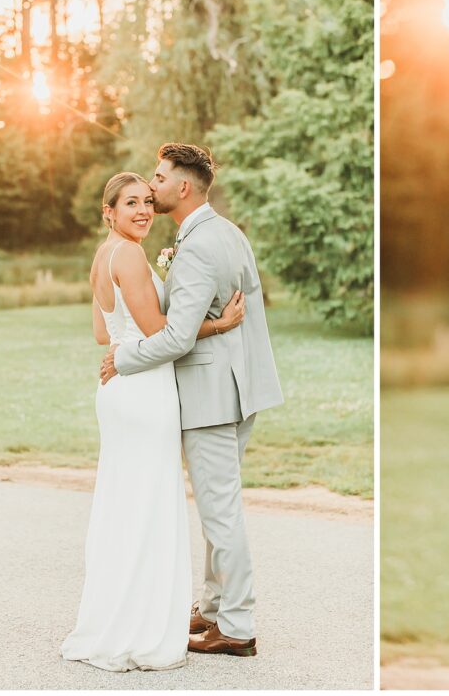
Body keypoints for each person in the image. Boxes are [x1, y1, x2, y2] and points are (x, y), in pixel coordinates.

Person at [100, 143, 283, 658]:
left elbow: (178, 336)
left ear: (182, 187)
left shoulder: (200, 244)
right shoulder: (223, 231)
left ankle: (238, 625)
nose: (151, 187)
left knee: (221, 512)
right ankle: (215, 606)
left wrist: (125, 358)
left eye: (158, 178)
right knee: (216, 506)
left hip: (211, 395)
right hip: (237, 388)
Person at [61, 172, 246, 671]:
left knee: (125, 502)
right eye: (130, 204)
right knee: (148, 503)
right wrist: (217, 325)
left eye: (148, 200)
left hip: (120, 391)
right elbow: (166, 333)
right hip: (144, 390)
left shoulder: (103, 256)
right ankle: (140, 626)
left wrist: (127, 349)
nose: (143, 210)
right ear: (109, 211)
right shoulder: (130, 255)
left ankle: (117, 616)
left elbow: (105, 332)